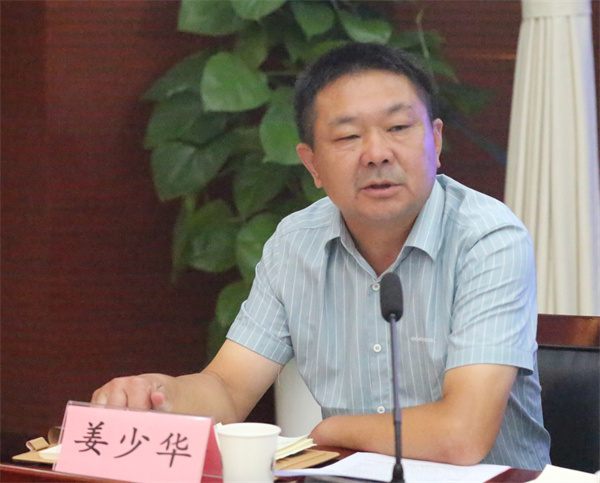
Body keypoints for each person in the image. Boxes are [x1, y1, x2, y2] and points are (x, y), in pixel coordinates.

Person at [92, 42, 550, 470]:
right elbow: (227, 389)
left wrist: (332, 432)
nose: (377, 153)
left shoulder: (488, 239)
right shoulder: (296, 244)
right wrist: (158, 397)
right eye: (348, 136)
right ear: (312, 163)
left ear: (436, 140)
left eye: (398, 128)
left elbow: (461, 436)